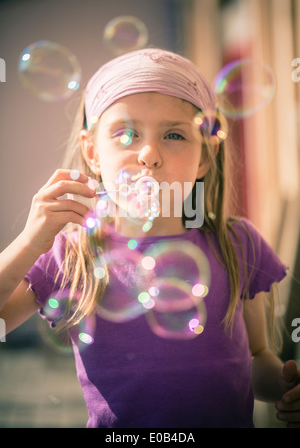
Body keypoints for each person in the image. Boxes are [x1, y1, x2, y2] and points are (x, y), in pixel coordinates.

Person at [0, 48, 300, 428]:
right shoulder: (71, 254)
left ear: (205, 157)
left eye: (174, 134)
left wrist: (286, 388)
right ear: (92, 152)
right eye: (126, 133)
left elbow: (258, 358)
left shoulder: (236, 244)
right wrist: (30, 241)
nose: (149, 154)